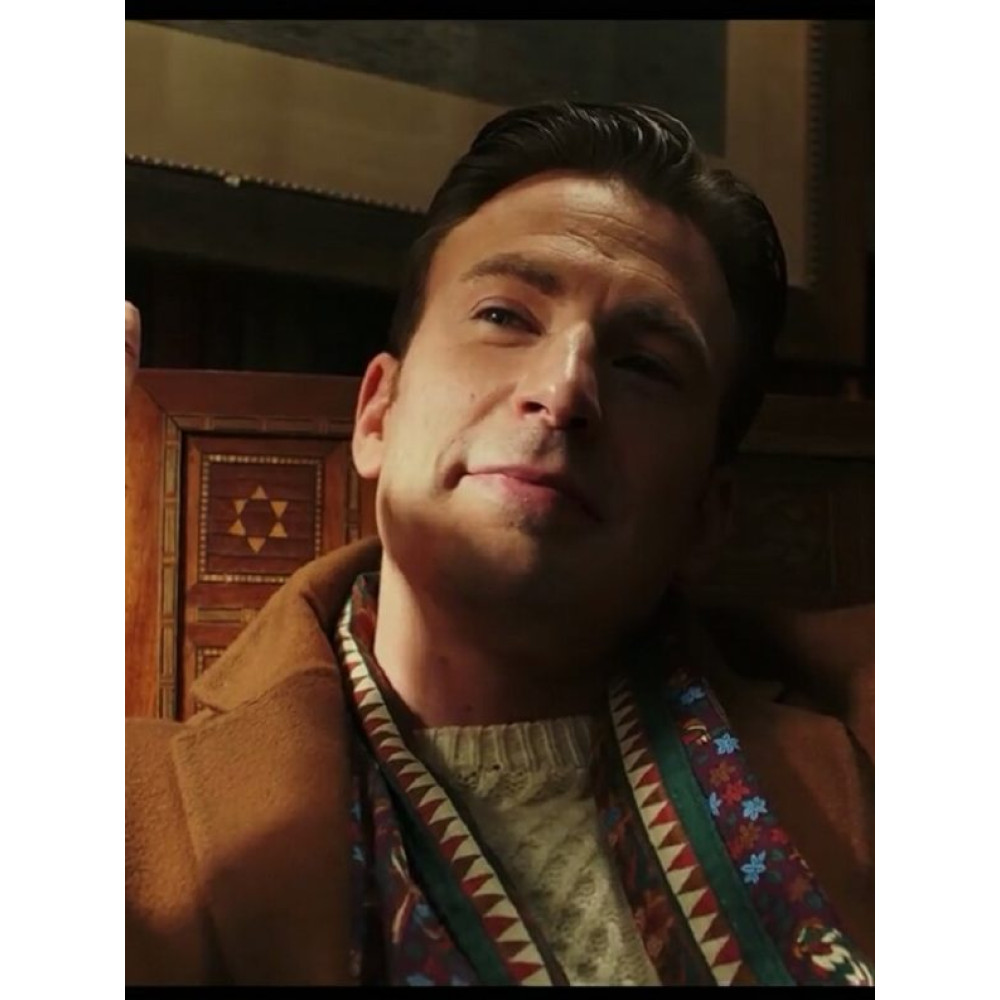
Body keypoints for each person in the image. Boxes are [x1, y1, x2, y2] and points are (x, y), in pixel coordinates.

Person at [125, 102, 874, 986]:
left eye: (644, 363)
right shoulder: (124, 809)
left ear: (706, 517)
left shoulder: (864, 749)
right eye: (504, 316)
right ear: (377, 414)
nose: (563, 390)